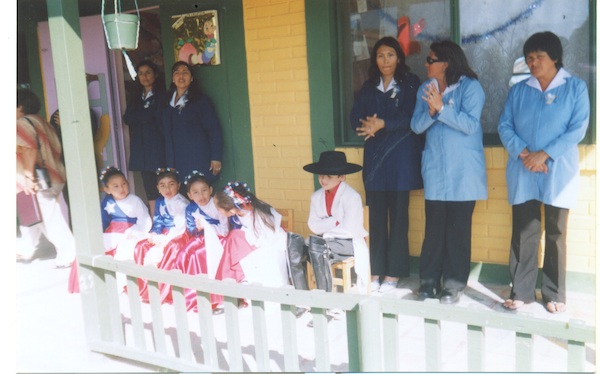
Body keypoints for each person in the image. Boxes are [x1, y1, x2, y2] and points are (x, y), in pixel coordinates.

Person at [497, 32, 590, 313]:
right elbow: (504, 125)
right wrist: (524, 152)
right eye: (529, 58)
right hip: (523, 168)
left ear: (555, 58)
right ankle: (522, 292)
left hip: (557, 169)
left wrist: (545, 154)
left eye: (539, 57)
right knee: (524, 231)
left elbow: (578, 128)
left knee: (556, 232)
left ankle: (554, 294)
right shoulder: (520, 90)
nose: (533, 62)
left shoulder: (575, 88)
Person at [410, 40, 487, 304]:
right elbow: (417, 126)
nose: (426, 64)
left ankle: (453, 286)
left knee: (457, 231)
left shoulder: (470, 87)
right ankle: (428, 282)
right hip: (435, 171)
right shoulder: (425, 88)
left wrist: (441, 109)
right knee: (433, 230)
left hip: (463, 173)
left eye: (430, 60)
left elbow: (469, 125)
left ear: (446, 63)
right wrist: (432, 112)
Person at [350, 36, 424, 293]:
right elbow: (354, 116)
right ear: (375, 60)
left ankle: (394, 272)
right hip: (375, 159)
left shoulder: (410, 83)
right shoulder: (368, 86)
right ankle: (377, 269)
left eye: (390, 55)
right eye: (380, 56)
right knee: (377, 216)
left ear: (399, 58)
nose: (385, 61)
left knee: (399, 217)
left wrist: (383, 124)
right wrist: (366, 125)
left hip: (401, 158)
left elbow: (412, 116)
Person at [287, 151, 369, 297]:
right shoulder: (316, 196)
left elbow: (350, 230)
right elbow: (313, 225)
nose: (323, 180)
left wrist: (325, 231)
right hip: (323, 241)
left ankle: (327, 302)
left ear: (342, 177)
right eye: (321, 175)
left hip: (349, 242)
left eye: (329, 176)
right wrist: (335, 221)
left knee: (317, 248)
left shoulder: (352, 197)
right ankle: (301, 298)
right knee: (295, 248)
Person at [16, 88, 76, 268]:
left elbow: (28, 148)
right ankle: (26, 249)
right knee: (32, 213)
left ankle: (69, 252)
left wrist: (27, 176)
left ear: (19, 106)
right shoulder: (41, 121)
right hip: (52, 175)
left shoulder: (21, 123)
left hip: (37, 178)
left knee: (48, 216)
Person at [157, 171, 229, 310]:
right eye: (195, 192)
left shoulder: (216, 205)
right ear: (189, 195)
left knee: (197, 255)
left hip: (217, 239)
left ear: (211, 190)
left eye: (204, 191)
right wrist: (198, 228)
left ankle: (203, 296)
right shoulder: (191, 207)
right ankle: (184, 294)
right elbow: (191, 229)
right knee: (183, 254)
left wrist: (208, 227)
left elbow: (225, 230)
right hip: (199, 237)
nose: (201, 196)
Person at [213, 181, 289, 288]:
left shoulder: (256, 214)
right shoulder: (240, 213)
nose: (218, 212)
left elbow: (267, 237)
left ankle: (236, 280)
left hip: (268, 245)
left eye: (218, 209)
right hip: (255, 243)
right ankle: (234, 280)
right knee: (233, 239)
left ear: (230, 209)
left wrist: (244, 235)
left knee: (234, 238)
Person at [162, 61, 223, 182]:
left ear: (191, 78)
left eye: (185, 73)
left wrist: (216, 157)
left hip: (197, 156)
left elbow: (214, 130)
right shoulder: (165, 101)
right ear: (172, 78)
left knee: (199, 192)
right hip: (175, 158)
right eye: (177, 73)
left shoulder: (201, 101)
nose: (181, 76)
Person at [123, 60, 167, 216]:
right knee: (149, 185)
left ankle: (167, 218)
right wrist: (146, 116)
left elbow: (157, 116)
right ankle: (155, 218)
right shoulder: (136, 97)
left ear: (155, 74)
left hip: (156, 147)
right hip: (141, 148)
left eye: (148, 72)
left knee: (163, 184)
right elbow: (127, 118)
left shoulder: (162, 95)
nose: (144, 76)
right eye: (141, 73)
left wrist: (141, 116)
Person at [133, 168, 188, 270]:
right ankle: (144, 281)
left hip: (178, 233)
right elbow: (158, 220)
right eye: (162, 186)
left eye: (171, 184)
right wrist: (155, 233)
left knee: (171, 247)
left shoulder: (182, 203)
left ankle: (164, 282)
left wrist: (164, 239)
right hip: (163, 232)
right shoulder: (160, 201)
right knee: (141, 245)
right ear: (158, 188)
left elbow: (180, 226)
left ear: (178, 185)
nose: (167, 189)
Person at [99, 166, 153, 260]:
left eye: (124, 184)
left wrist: (137, 233)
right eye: (116, 186)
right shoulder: (107, 201)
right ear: (107, 189)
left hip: (131, 229)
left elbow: (144, 219)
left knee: (126, 247)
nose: (121, 188)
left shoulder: (135, 201)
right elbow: (104, 220)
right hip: (113, 230)